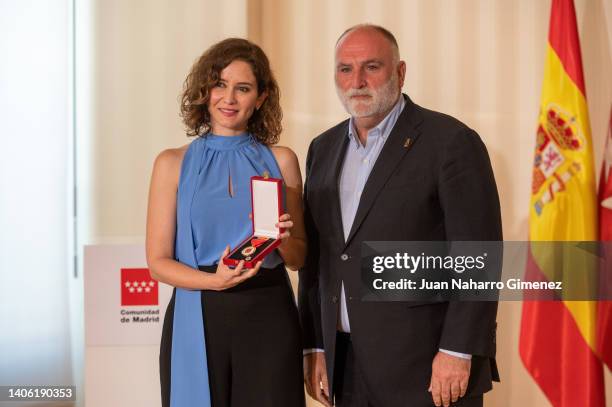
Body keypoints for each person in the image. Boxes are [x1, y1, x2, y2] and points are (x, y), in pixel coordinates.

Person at [299, 24, 501, 407]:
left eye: (371, 67)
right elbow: (318, 258)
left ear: (400, 72)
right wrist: (314, 344)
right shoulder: (322, 149)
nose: (357, 81)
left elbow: (480, 255)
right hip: (345, 363)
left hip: (427, 369)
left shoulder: (451, 142)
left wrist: (458, 351)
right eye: (345, 69)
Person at [146, 38, 306, 407]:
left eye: (243, 88)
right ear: (204, 90)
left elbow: (299, 257)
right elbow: (157, 261)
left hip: (269, 313)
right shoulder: (171, 163)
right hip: (199, 309)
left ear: (261, 98)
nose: (229, 98)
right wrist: (213, 281)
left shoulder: (282, 161)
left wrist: (281, 239)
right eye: (220, 84)